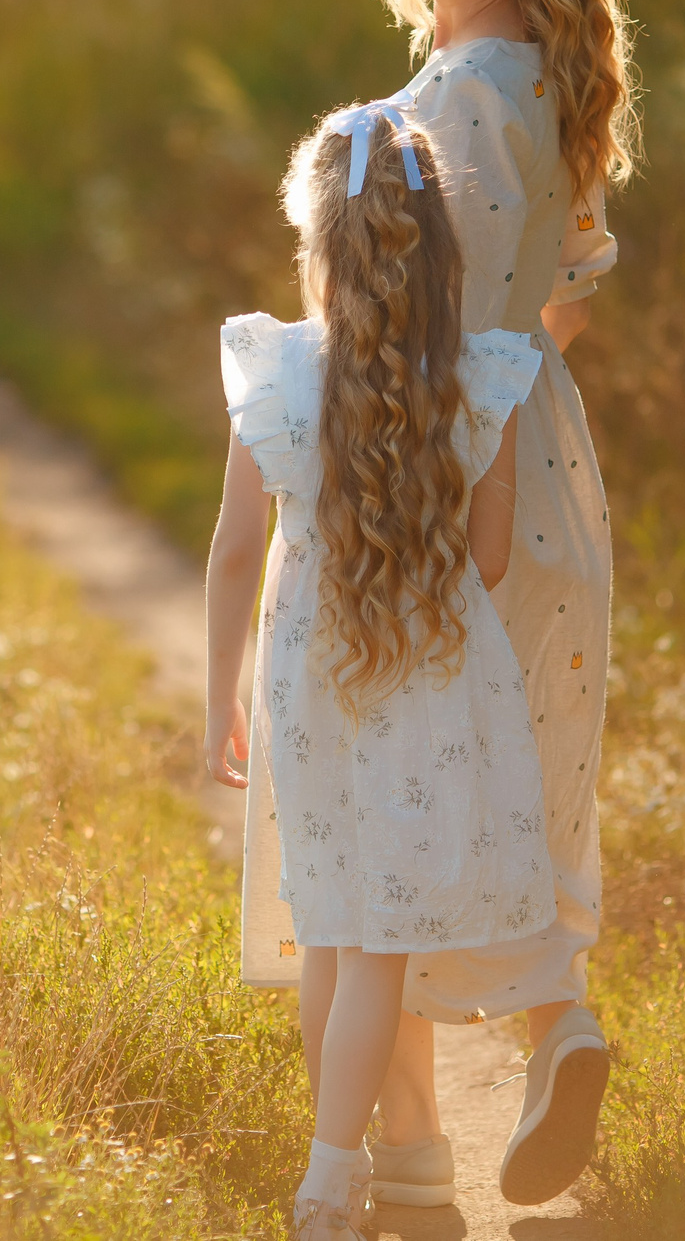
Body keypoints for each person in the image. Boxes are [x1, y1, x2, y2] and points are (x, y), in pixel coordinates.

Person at [237, 0, 641, 1211]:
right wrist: (522, 365)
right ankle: (545, 1036)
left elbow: (421, 312)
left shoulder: (462, 96)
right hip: (533, 442)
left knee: (395, 803)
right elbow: (570, 283)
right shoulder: (539, 76)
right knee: (498, 778)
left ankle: (405, 1142)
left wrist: (353, 435)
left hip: (444, 466)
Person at [204, 108, 553, 1239]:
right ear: (438, 251)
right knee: (378, 949)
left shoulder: (274, 371)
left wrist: (224, 697)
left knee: (334, 934)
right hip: (426, 680)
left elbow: (231, 548)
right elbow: (490, 561)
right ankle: (323, 1186)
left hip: (310, 680)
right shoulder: (481, 377)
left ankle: (339, 1171)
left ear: (316, 243)